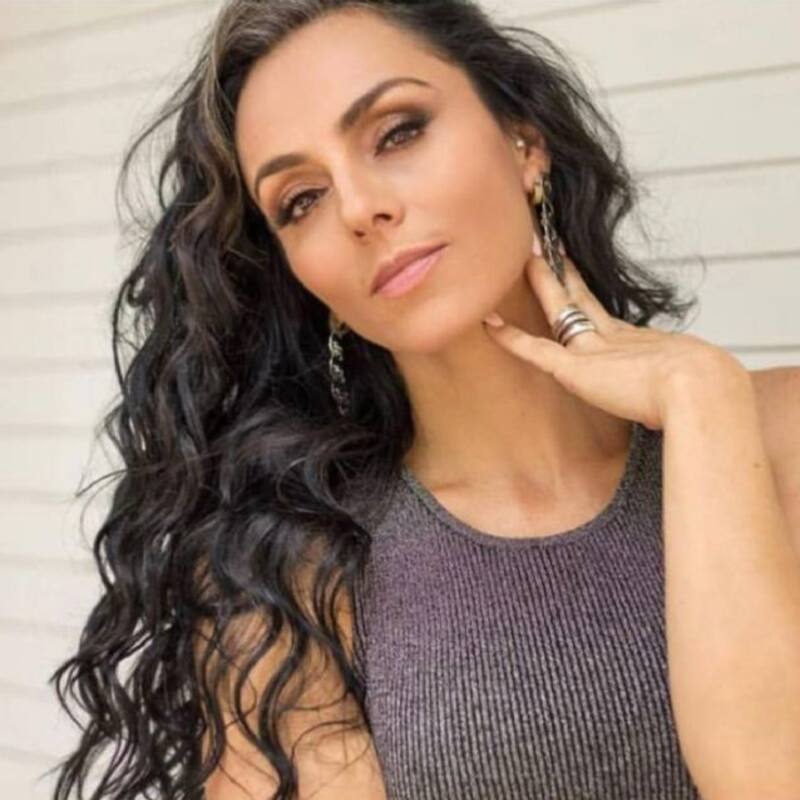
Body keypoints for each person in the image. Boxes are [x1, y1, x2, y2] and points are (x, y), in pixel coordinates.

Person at [47, 2, 800, 799]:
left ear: (524, 143)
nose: (358, 208)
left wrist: (701, 395)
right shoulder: (290, 583)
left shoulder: (770, 434)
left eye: (398, 132)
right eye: (301, 200)